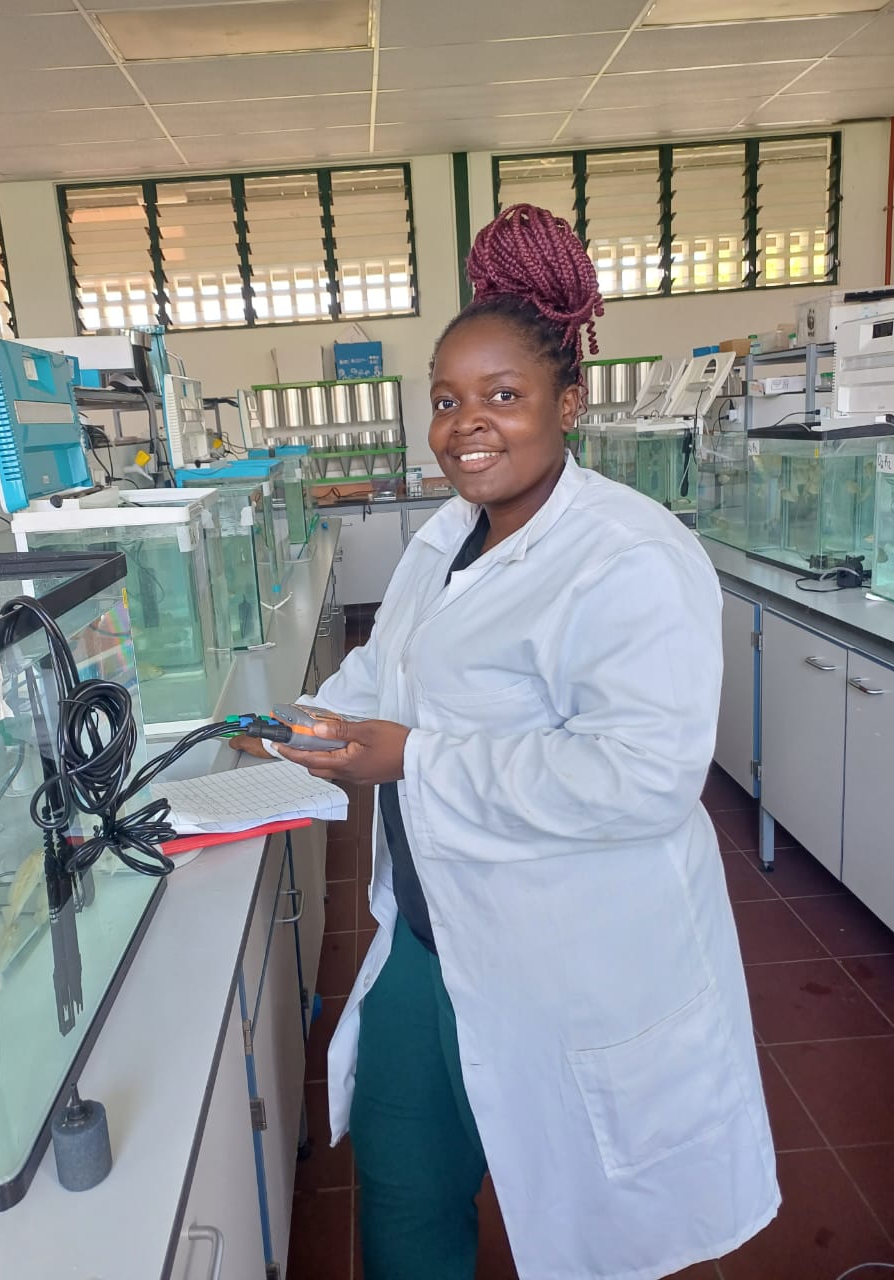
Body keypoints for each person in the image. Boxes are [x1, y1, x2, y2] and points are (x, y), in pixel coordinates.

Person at [231, 204, 779, 1280]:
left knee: (586, 1230)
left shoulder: (630, 554)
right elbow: (383, 674)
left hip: (574, 962)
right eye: (445, 399)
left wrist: (410, 760)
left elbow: (643, 777)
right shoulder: (447, 539)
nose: (464, 423)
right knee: (400, 1191)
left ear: (568, 402)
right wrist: (301, 726)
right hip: (432, 941)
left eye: (501, 395)